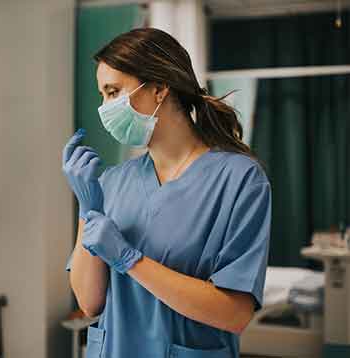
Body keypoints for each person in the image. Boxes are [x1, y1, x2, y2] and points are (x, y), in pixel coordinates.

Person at [62, 27, 271, 358]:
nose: (105, 108)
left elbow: (235, 314)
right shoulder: (111, 182)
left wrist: (129, 260)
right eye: (102, 95)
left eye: (113, 92)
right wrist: (87, 209)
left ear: (159, 88)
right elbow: (90, 304)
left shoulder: (239, 179)